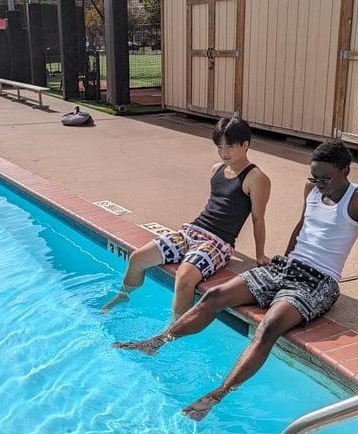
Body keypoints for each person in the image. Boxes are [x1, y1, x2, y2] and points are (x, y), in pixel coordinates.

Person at [113, 139, 358, 420]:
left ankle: (217, 395)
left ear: (345, 172)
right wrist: (287, 260)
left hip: (318, 281)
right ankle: (157, 342)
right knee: (214, 297)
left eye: (325, 179)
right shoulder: (311, 188)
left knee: (269, 327)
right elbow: (302, 226)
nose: (318, 184)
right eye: (313, 177)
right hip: (287, 267)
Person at [102, 116, 271, 321]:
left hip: (217, 243)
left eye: (230, 147)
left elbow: (257, 218)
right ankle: (124, 295)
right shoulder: (216, 169)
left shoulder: (256, 178)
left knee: (184, 278)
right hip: (190, 231)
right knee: (137, 258)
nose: (224, 153)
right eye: (220, 147)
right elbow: (218, 204)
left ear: (245, 145)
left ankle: (172, 331)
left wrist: (260, 254)